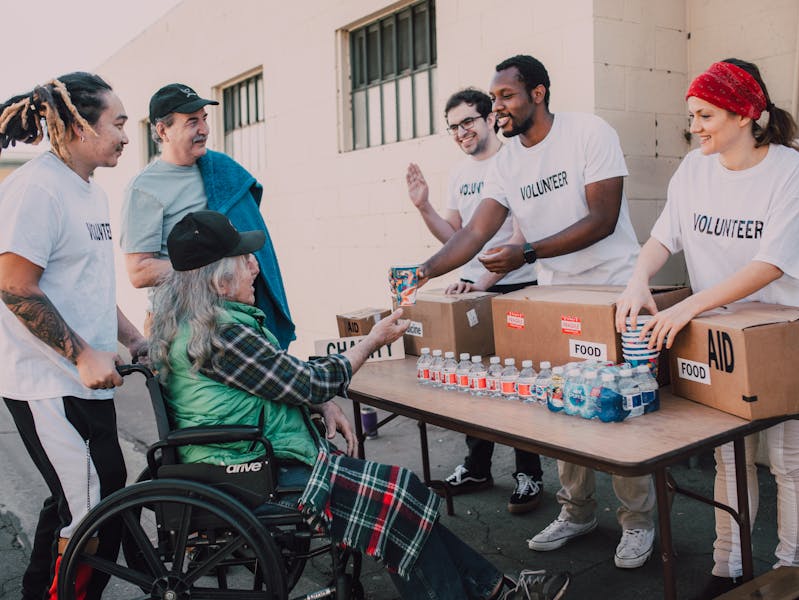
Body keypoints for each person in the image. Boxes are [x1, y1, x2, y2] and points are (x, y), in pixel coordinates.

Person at [148, 209, 571, 600]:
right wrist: (369, 343)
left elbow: (280, 381)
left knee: (402, 497)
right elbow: (306, 381)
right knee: (397, 500)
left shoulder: (196, 324)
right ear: (219, 281)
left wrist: (319, 402)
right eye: (244, 261)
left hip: (245, 460)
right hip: (252, 474)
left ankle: (494, 590)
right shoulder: (221, 335)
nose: (256, 266)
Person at [415, 55, 656, 569]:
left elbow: (604, 218)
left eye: (506, 96)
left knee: (618, 411)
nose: (496, 107)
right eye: (494, 97)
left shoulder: (589, 133)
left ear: (538, 94)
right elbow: (475, 233)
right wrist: (425, 270)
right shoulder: (506, 163)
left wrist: (528, 253)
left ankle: (638, 524)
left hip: (612, 289)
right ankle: (576, 512)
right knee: (565, 406)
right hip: (555, 296)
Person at [615, 58, 799, 599]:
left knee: (787, 460)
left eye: (706, 115)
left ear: (746, 115)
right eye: (693, 114)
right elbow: (662, 237)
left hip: (780, 331)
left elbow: (771, 264)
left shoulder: (789, 170)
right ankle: (729, 567)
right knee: (729, 454)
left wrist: (689, 306)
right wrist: (637, 280)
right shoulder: (694, 170)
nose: (695, 126)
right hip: (719, 331)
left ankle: (789, 571)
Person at [0, 73, 147, 600]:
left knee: (91, 497)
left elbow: (84, 284)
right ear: (79, 125)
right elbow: (15, 288)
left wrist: (132, 337)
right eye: (118, 124)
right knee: (89, 506)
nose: (127, 137)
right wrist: (84, 353)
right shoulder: (35, 189)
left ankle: (41, 590)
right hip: (46, 382)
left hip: (86, 380)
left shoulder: (89, 191)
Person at [406, 88, 542, 513]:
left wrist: (482, 280)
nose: (461, 132)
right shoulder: (460, 175)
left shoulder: (515, 162)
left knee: (519, 385)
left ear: (489, 119)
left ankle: (529, 473)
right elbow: (456, 238)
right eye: (453, 126)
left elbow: (521, 235)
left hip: (515, 288)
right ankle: (477, 466)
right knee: (472, 382)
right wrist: (424, 206)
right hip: (473, 291)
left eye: (468, 121)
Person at [120, 83, 294, 348]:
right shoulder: (144, 188)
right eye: (192, 121)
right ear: (162, 130)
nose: (204, 129)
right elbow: (139, 272)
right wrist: (214, 265)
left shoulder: (220, 170)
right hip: (179, 324)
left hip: (234, 318)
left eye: (204, 119)